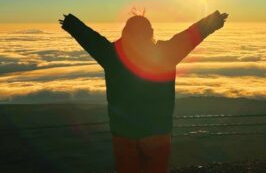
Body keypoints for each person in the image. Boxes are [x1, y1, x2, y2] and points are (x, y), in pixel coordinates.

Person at [59, 10, 228, 173]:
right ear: (150, 32)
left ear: (125, 32)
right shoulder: (166, 53)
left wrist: (71, 24)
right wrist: (214, 21)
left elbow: (91, 40)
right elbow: (189, 37)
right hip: (157, 133)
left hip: (124, 133)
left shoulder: (112, 56)